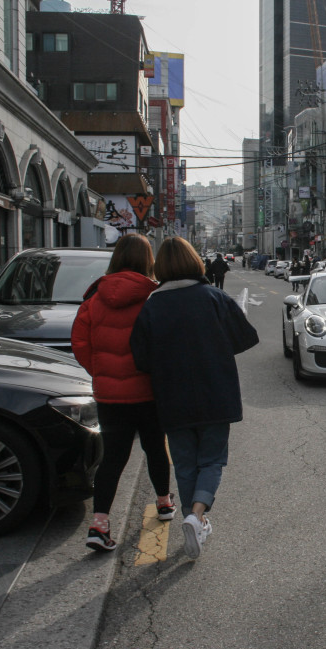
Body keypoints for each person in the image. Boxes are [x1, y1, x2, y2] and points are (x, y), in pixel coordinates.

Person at [131, 237, 260, 560]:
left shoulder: (151, 306)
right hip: (216, 394)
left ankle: (193, 519)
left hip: (172, 398)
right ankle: (198, 514)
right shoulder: (214, 297)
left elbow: (141, 359)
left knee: (185, 464)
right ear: (194, 262)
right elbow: (245, 337)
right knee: (212, 459)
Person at [71, 233, 175, 552]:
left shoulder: (94, 298)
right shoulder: (154, 298)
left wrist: (102, 372)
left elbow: (80, 343)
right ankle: (163, 502)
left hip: (109, 395)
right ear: (148, 261)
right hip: (148, 393)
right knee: (155, 448)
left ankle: (99, 524)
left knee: (112, 458)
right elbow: (165, 346)